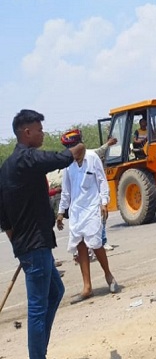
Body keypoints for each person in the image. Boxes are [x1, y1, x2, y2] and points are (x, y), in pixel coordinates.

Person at [0, 109, 83, 359]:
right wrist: (73, 152)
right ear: (26, 133)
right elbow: (54, 160)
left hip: (33, 244)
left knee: (55, 292)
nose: (42, 133)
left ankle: (40, 351)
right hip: (34, 246)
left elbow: (3, 216)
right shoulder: (25, 160)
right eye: (39, 130)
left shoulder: (7, 167)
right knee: (37, 308)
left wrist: (17, 240)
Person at [56, 129, 119, 302]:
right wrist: (61, 212)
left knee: (96, 243)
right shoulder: (68, 164)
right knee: (80, 245)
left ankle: (109, 276)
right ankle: (87, 287)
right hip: (76, 211)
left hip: (92, 208)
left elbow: (102, 181)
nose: (72, 151)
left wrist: (104, 202)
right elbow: (66, 192)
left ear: (80, 145)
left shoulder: (93, 157)